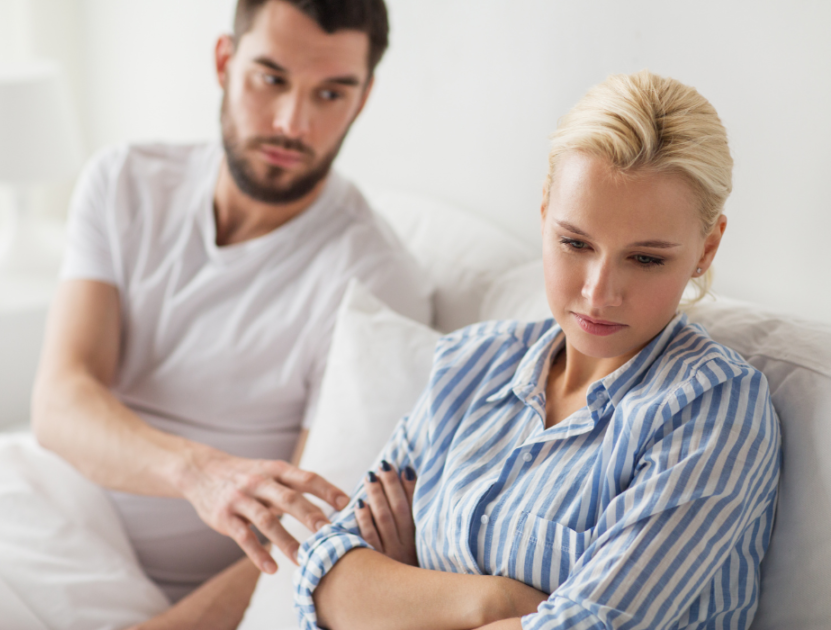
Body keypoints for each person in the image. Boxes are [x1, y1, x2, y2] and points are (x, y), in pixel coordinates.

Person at [294, 70, 781, 630]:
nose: (598, 293)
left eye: (646, 259)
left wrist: (402, 592)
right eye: (575, 243)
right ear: (546, 210)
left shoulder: (713, 409)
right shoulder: (471, 364)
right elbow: (323, 579)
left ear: (707, 247)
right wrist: (496, 602)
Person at [31, 0, 431, 623]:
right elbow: (59, 403)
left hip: (155, 593)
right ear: (225, 61)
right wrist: (199, 472)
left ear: (363, 98)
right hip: (45, 507)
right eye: (270, 79)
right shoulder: (124, 182)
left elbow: (310, 532)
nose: (291, 123)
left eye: (330, 93)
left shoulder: (375, 283)